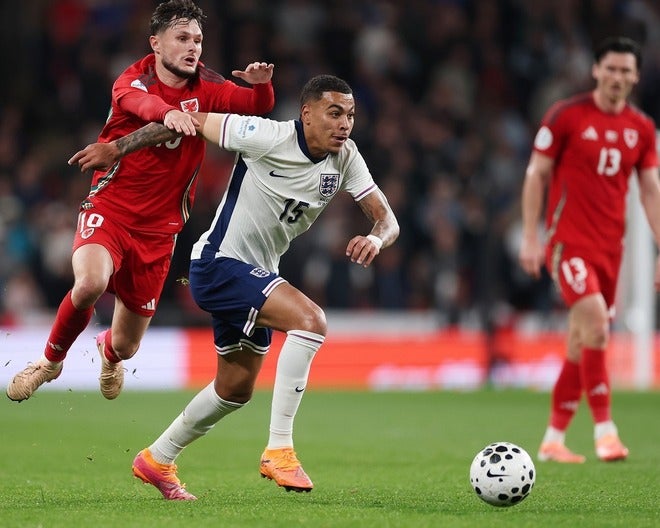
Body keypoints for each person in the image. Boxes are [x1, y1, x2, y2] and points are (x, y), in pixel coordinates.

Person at [69, 74, 399, 500]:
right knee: (310, 321)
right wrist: (118, 147)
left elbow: (387, 219)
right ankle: (279, 449)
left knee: (235, 388)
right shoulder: (265, 135)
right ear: (307, 114)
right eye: (334, 113)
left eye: (350, 115)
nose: (344, 124)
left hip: (255, 274)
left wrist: (376, 239)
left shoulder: (346, 157)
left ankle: (157, 459)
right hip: (218, 264)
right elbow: (185, 120)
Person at [6, 0, 275, 402]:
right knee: (90, 284)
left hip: (159, 231)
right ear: (156, 43)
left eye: (198, 40)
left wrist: (262, 85)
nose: (193, 47)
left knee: (127, 345)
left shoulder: (208, 85)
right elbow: (142, 105)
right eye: (182, 38)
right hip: (111, 209)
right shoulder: (132, 80)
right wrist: (168, 114)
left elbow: (256, 107)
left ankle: (108, 353)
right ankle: (49, 362)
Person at [519, 36, 660, 463]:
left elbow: (650, 190)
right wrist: (531, 237)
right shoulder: (566, 115)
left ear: (636, 76)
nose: (617, 76)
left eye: (625, 70)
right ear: (596, 70)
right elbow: (536, 174)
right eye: (610, 68)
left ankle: (553, 440)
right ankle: (605, 432)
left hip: (610, 249)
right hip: (568, 243)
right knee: (597, 323)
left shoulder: (642, 128)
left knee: (582, 342)